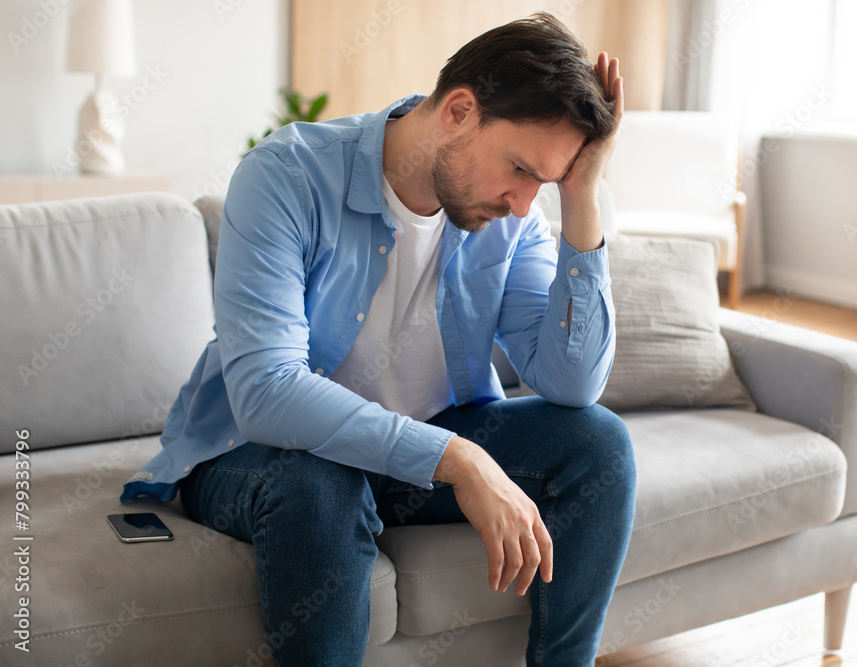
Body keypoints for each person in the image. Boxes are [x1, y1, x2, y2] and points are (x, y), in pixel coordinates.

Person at [120, 12, 636, 666]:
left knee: (599, 440)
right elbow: (266, 392)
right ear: (458, 111)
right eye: (521, 169)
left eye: (548, 182)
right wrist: (458, 458)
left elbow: (572, 383)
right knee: (319, 478)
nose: (524, 203)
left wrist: (584, 196)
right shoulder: (287, 176)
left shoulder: (515, 219)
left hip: (414, 448)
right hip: (261, 453)